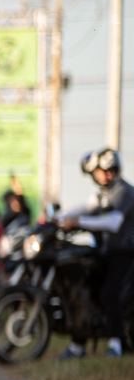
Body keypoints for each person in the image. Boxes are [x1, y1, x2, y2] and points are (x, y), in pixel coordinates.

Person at [59, 148, 134, 358]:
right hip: (106, 252)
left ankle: (116, 344)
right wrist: (56, 218)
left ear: (116, 170)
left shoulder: (123, 192)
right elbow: (83, 208)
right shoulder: (103, 194)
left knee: (110, 293)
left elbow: (113, 222)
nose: (105, 175)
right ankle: (77, 346)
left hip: (126, 253)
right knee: (84, 292)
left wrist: (77, 222)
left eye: (110, 171)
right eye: (101, 171)